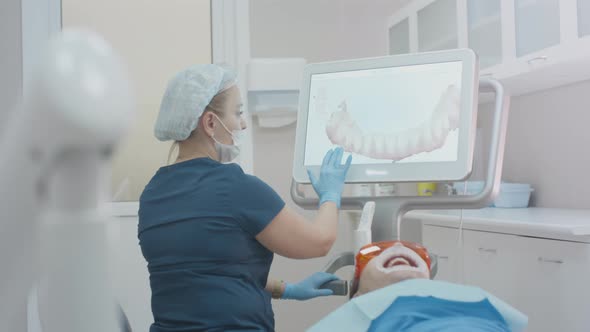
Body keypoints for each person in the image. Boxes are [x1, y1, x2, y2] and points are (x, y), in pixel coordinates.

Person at [138, 64, 352, 332]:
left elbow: (207, 273)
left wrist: (289, 289)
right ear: (210, 123)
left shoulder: (152, 193)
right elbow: (319, 242)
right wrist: (331, 195)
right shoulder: (235, 188)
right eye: (237, 113)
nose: (242, 123)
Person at [309, 241, 527, 332]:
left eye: (416, 251)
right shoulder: (354, 313)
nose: (396, 246)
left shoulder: (477, 296)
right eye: (375, 253)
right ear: (358, 294)